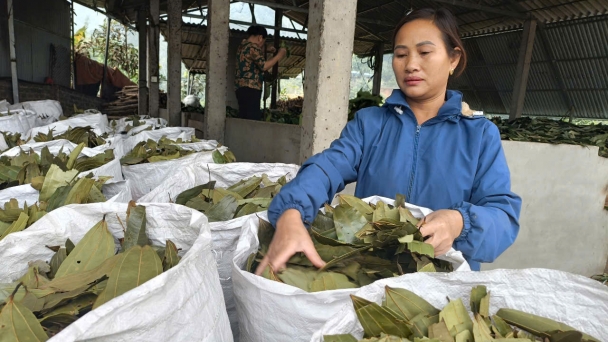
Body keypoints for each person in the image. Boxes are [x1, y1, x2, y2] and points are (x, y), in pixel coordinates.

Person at [255, 8, 522, 274]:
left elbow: (502, 216)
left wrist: (458, 222)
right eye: (401, 54)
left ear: (453, 59)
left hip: (443, 287)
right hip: (370, 276)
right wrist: (292, 213)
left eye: (425, 52)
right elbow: (326, 169)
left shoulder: (479, 135)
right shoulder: (369, 124)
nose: (411, 65)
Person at [235, 25, 287, 121]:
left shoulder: (243, 45)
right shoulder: (253, 48)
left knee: (244, 118)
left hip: (240, 88)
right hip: (251, 89)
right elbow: (264, 66)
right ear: (260, 37)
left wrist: (265, 50)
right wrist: (279, 55)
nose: (262, 45)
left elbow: (250, 55)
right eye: (263, 42)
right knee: (252, 119)